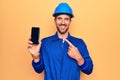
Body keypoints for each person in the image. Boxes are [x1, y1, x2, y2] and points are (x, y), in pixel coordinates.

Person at [28, 2, 93, 80]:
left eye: (66, 19)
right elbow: (39, 70)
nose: (63, 22)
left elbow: (89, 70)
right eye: (59, 18)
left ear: (70, 21)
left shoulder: (79, 43)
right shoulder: (44, 43)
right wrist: (35, 57)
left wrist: (79, 58)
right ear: (55, 20)